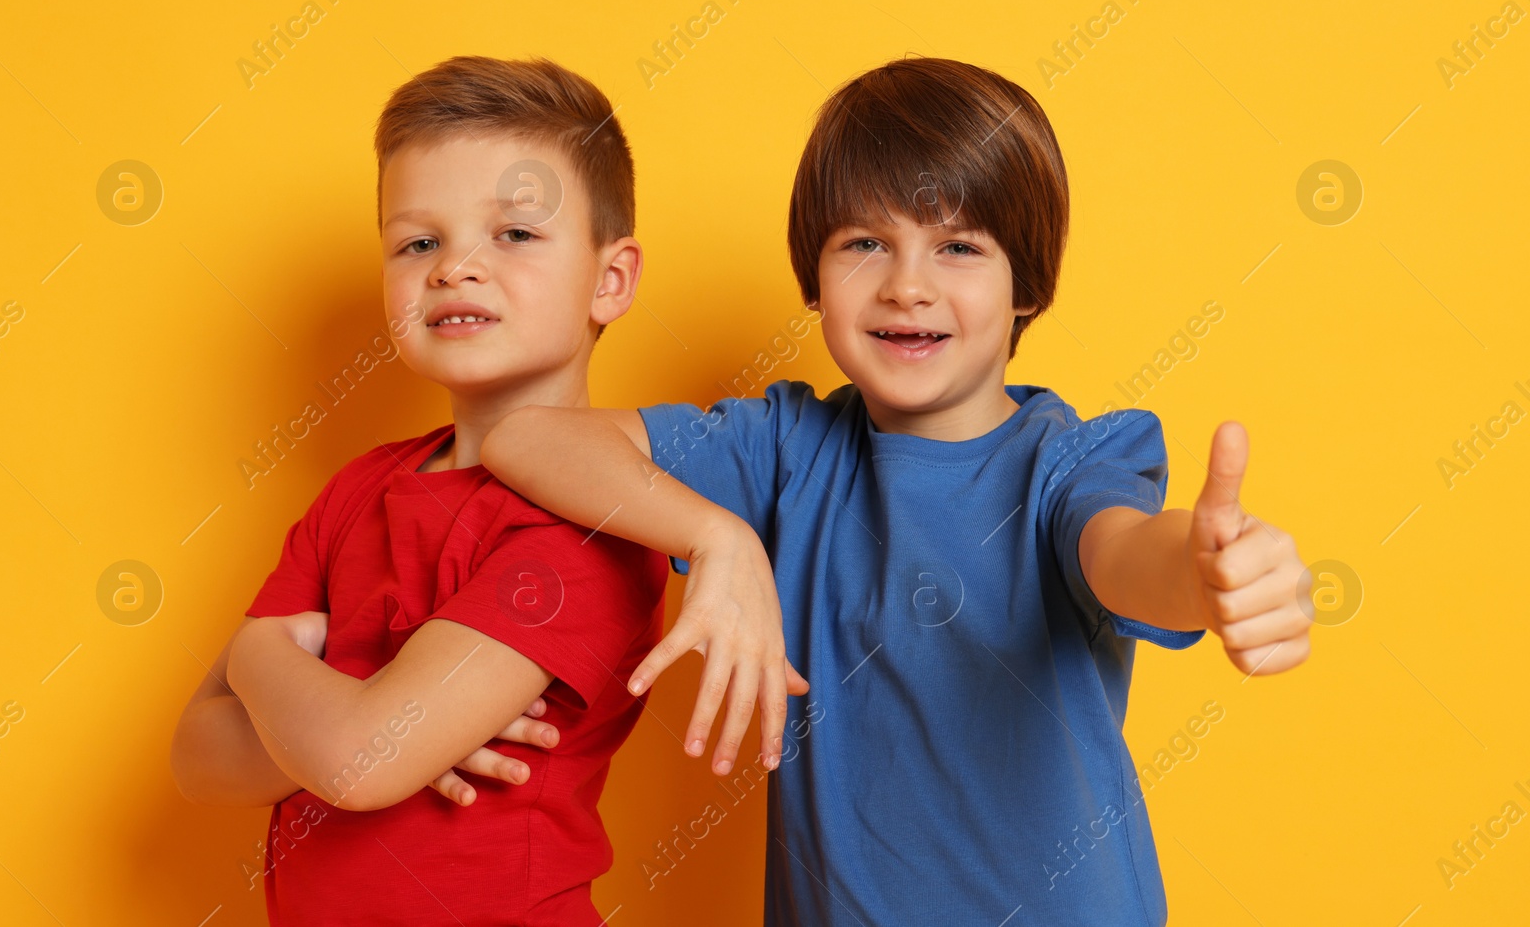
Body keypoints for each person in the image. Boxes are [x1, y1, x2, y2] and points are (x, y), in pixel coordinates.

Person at [478, 57, 1314, 924]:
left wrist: (1210, 576)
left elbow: (1126, 553)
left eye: (958, 246)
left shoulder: (1067, 464)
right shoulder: (785, 448)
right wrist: (714, 536)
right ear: (813, 276)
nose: (907, 283)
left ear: (1027, 285)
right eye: (865, 243)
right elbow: (526, 435)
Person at [169, 55, 669, 926]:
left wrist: (262, 664)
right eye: (418, 242)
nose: (454, 268)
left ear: (610, 279)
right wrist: (374, 714)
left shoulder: (594, 524)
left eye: (515, 233)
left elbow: (359, 761)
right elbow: (198, 756)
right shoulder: (360, 488)